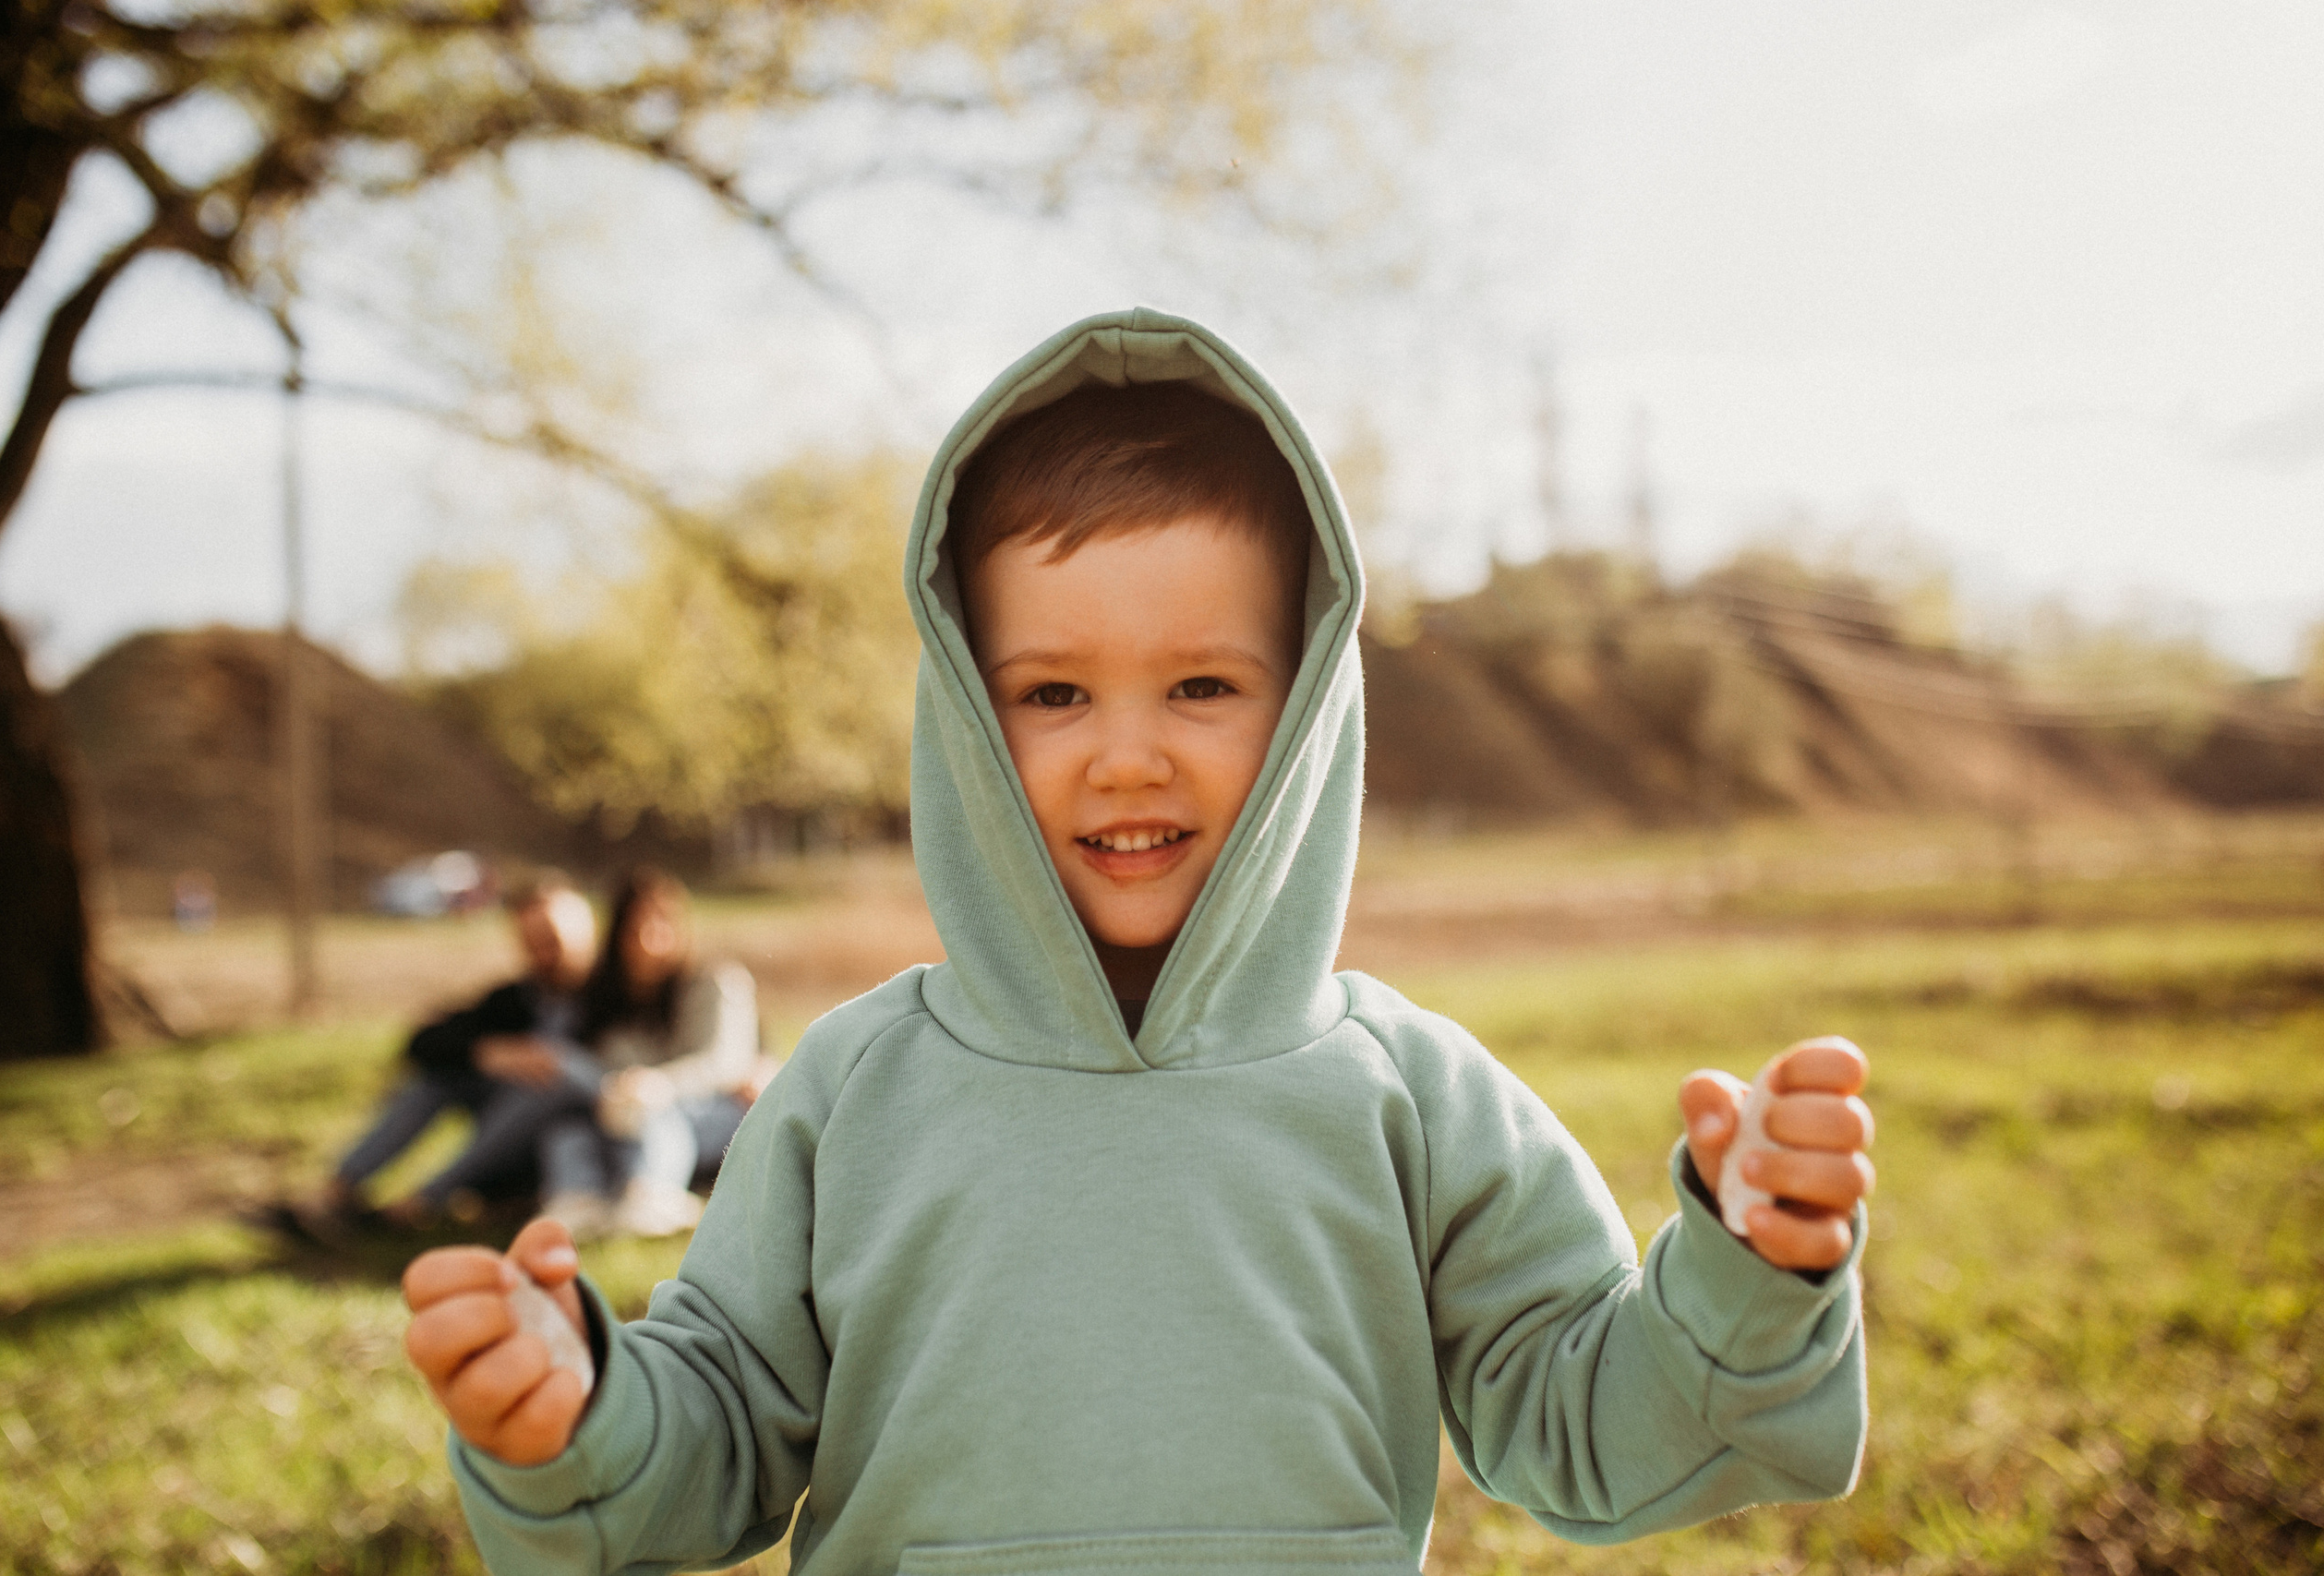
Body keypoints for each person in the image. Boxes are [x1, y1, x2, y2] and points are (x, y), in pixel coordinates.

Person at [403, 310, 1879, 1575]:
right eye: (1053, 694)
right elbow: (720, 1417)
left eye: (1200, 685)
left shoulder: (1408, 1092)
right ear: (968, 718)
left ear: (1303, 706)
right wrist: (578, 1412)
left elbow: (1581, 1412)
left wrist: (1748, 1268)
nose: (1126, 756)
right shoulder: (856, 1086)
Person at [275, 873, 597, 1239]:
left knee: (549, 1080)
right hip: (506, 1135)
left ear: (585, 925)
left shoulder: (613, 996)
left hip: (578, 1138)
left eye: (551, 938)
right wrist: (491, 1053)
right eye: (530, 941)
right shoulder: (516, 999)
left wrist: (550, 1062)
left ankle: (422, 1203)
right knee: (438, 1080)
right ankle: (337, 1193)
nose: (542, 952)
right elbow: (424, 1041)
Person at [535, 868, 777, 1242]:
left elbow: (724, 1063)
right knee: (571, 1132)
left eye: (662, 925)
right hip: (624, 1113)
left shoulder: (716, 980)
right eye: (636, 930)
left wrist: (658, 1084)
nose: (650, 942)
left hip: (715, 1111)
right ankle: (577, 1200)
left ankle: (651, 1192)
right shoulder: (604, 999)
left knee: (654, 1114)